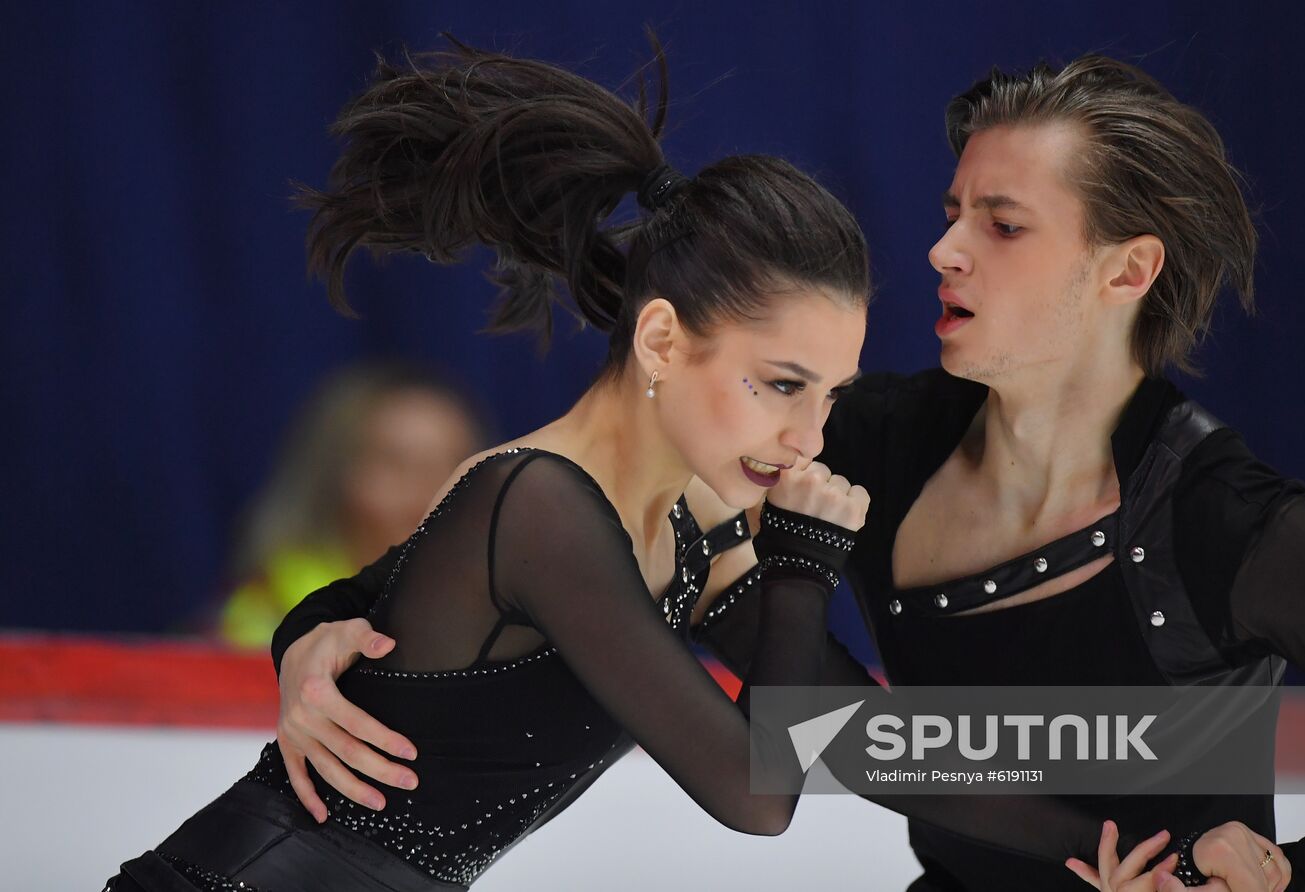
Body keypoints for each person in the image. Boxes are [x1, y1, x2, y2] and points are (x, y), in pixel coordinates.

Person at [278, 55, 1305, 891]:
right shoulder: (852, 442)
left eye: (1000, 224)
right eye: (952, 210)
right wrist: (316, 631)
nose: (941, 249)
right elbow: (517, 531)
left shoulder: (1239, 530)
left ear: (1126, 270)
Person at [103, 36, 875, 890]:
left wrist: (1049, 770)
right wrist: (803, 563)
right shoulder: (539, 503)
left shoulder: (690, 525)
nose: (811, 438)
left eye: (832, 394)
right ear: (661, 340)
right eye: (781, 385)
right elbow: (756, 793)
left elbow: (851, 736)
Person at [218, 363, 484, 648]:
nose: (432, 492)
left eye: (455, 467)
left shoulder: (504, 615)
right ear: (335, 476)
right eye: (397, 465)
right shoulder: (266, 615)